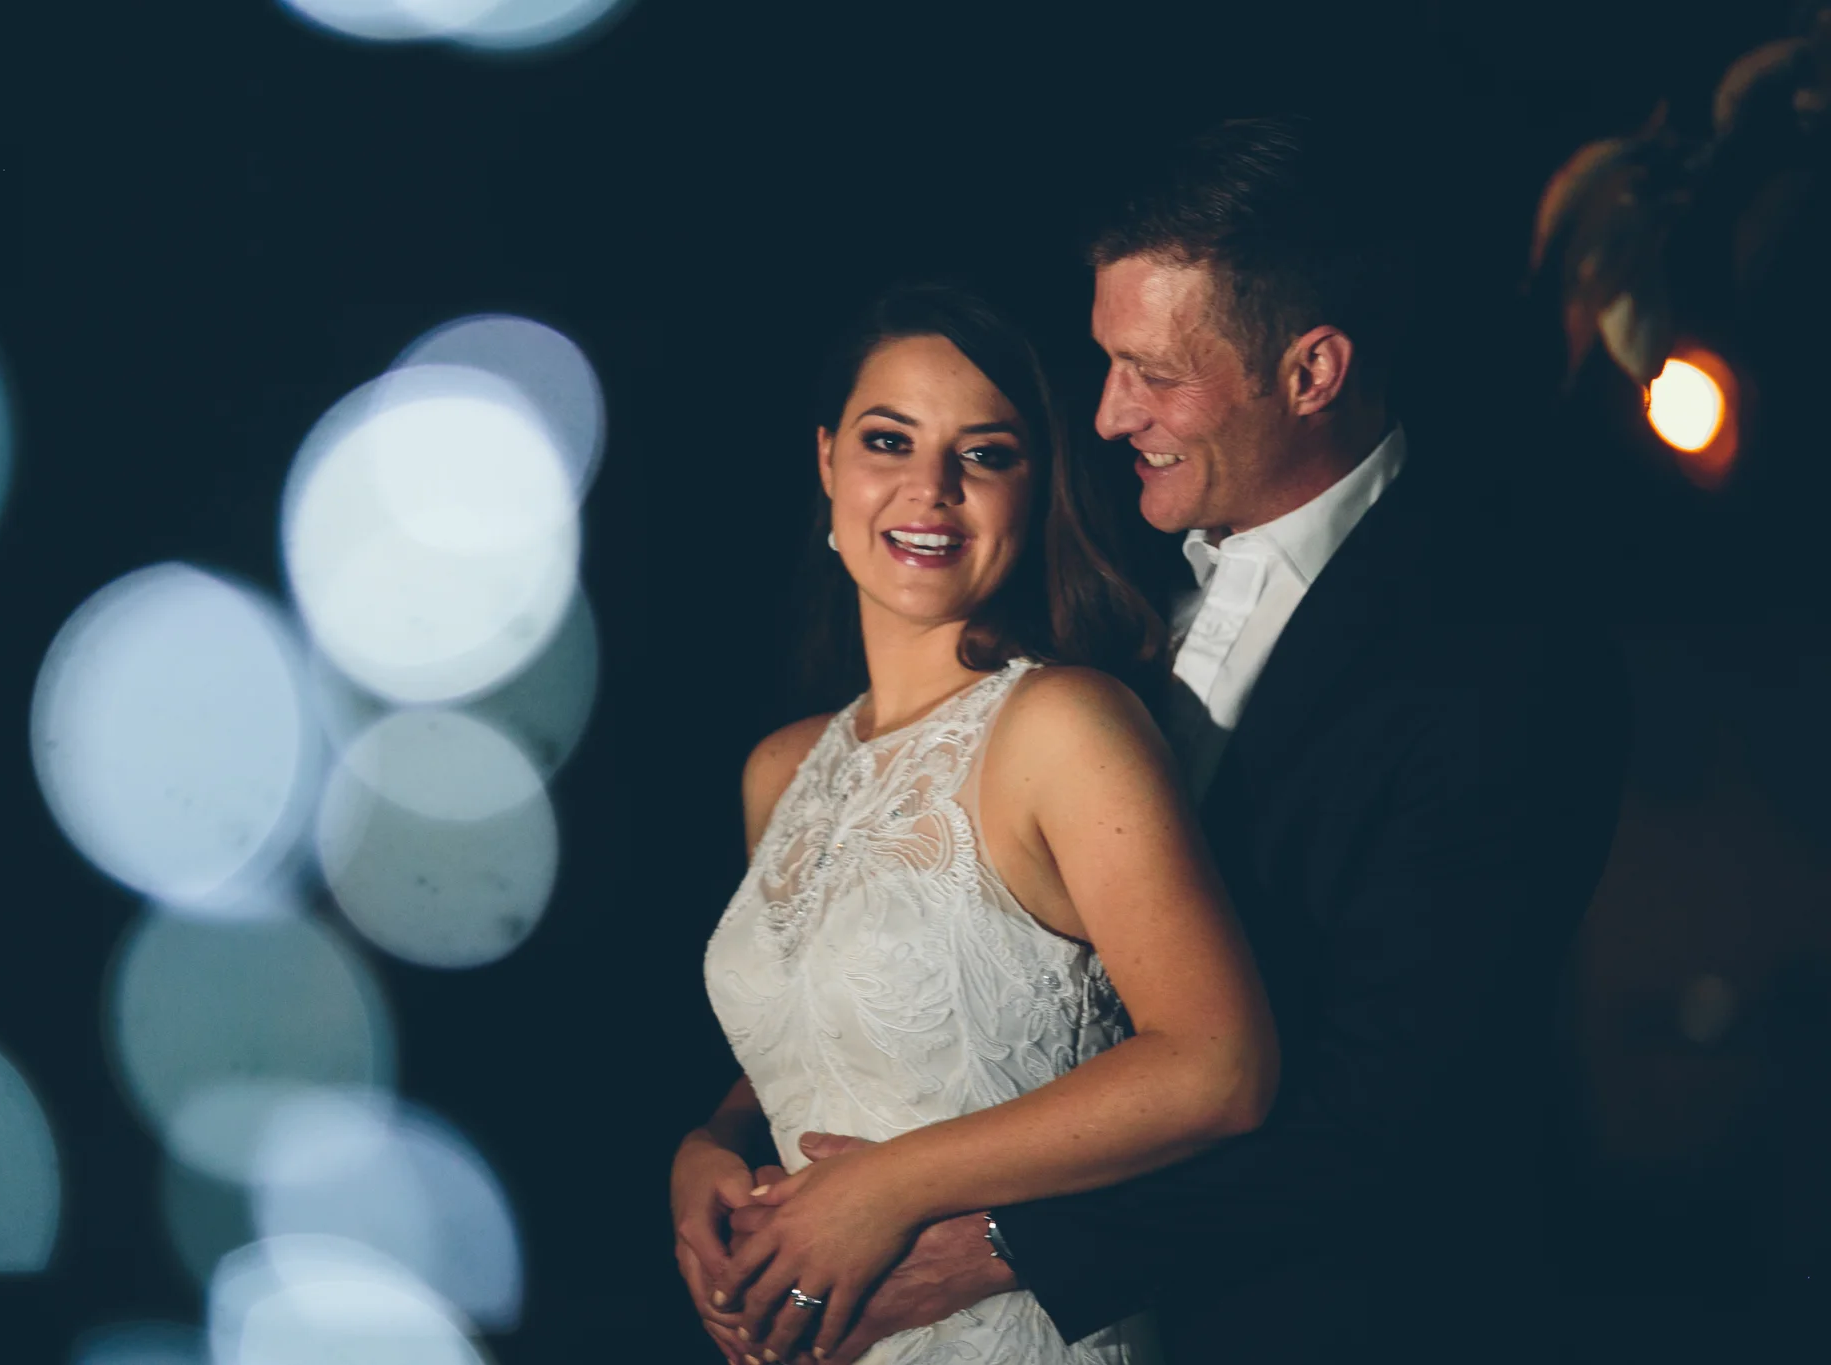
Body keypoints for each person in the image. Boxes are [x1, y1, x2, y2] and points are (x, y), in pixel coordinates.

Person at [720, 118, 1632, 1365]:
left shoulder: (1497, 658)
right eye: (1103, 364)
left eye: (1150, 372)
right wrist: (715, 1148)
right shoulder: (1109, 608)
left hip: (1326, 1325)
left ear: (1309, 373)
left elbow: (1394, 1104)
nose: (1104, 415)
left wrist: (993, 1245)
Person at [670, 282, 1281, 1364]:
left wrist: (886, 1189)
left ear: (1035, 487)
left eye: (984, 453)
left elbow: (1216, 1065)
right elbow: (833, 1018)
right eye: (887, 440)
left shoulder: (1065, 726)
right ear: (825, 463)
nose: (929, 489)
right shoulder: (780, 768)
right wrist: (710, 1143)